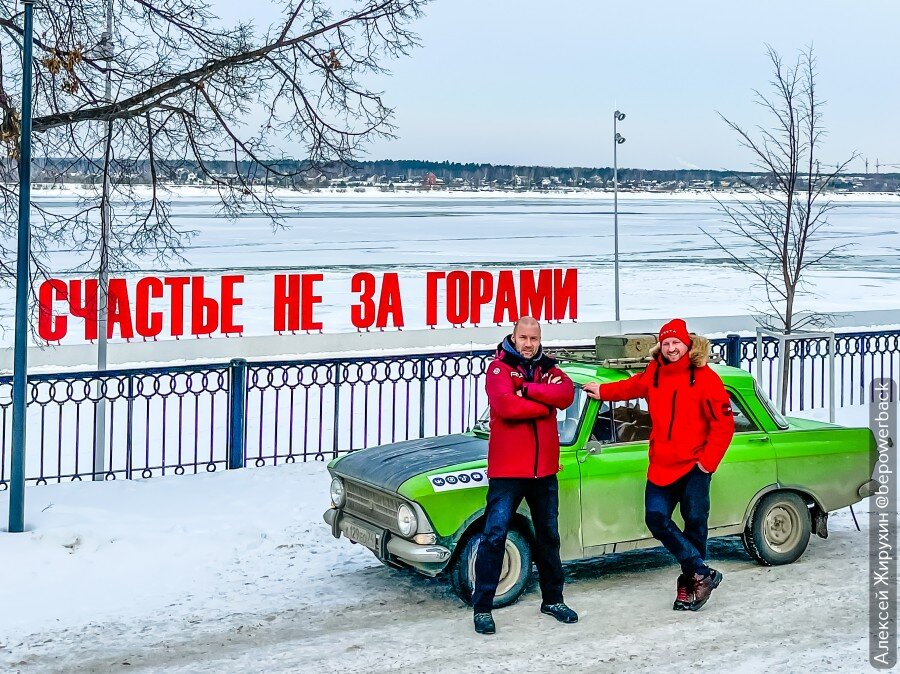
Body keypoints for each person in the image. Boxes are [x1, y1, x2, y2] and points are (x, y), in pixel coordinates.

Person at [583, 319, 735, 611]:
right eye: (666, 343)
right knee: (655, 517)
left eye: (676, 342)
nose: (671, 348)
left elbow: (724, 424)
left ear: (687, 344)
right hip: (662, 463)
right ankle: (702, 572)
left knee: (694, 525)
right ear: (660, 347)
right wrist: (603, 391)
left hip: (694, 465)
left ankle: (691, 585)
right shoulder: (654, 373)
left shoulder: (705, 378)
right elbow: (632, 386)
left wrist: (707, 463)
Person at [473, 316, 577, 635]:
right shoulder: (498, 369)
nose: (528, 344)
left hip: (544, 470)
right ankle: (482, 607)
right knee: (494, 536)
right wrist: (544, 406)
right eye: (523, 337)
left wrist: (529, 390)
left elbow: (566, 395)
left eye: (534, 338)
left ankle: (553, 599)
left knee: (549, 536)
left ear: (539, 338)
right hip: (508, 471)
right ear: (514, 337)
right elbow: (505, 407)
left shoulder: (548, 369)